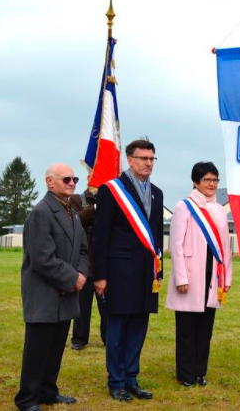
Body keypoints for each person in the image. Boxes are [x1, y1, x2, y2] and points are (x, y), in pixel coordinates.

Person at [92, 139, 164, 402]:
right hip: (118, 270)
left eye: (151, 159)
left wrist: (159, 270)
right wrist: (100, 275)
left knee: (138, 327)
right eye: (142, 158)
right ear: (129, 160)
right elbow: (100, 236)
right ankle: (117, 380)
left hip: (146, 272)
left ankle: (132, 377)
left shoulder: (157, 192)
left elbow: (157, 236)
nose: (147, 163)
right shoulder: (111, 190)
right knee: (118, 328)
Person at [14, 164, 88, 411]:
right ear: (50, 182)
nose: (72, 182)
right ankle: (26, 399)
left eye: (74, 178)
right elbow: (42, 258)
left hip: (66, 293)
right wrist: (73, 278)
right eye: (66, 178)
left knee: (56, 347)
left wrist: (81, 274)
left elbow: (83, 251)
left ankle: (47, 391)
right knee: (37, 349)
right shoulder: (41, 212)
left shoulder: (73, 212)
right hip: (44, 294)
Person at [166, 162, 232, 387]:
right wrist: (180, 278)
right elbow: (175, 245)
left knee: (205, 330)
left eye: (215, 180)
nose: (212, 184)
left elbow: (225, 247)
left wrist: (227, 278)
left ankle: (199, 372)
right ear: (196, 182)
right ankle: (185, 375)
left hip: (212, 276)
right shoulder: (185, 206)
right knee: (186, 329)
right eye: (207, 180)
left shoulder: (220, 209)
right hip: (191, 275)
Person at [69, 170, 107, 350]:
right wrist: (98, 207)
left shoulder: (110, 200)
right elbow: (77, 220)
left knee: (107, 307)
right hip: (84, 262)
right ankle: (79, 339)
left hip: (104, 263)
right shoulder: (76, 199)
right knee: (82, 307)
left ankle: (109, 338)